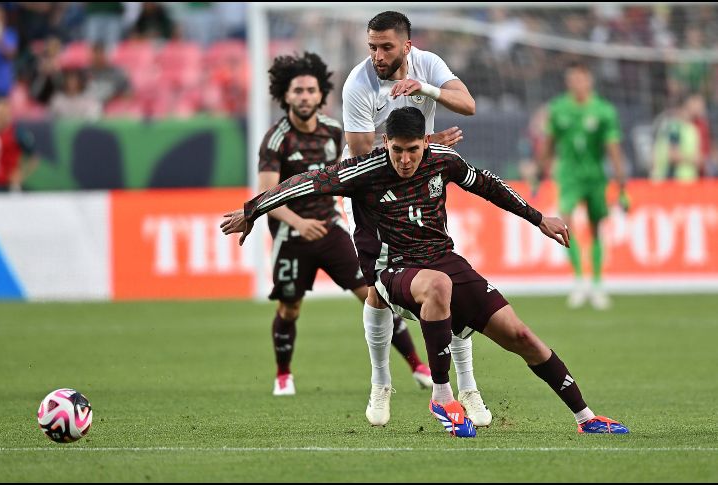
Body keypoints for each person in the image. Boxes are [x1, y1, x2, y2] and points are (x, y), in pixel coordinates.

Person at [222, 107, 629, 437]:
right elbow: (305, 182)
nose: (404, 159)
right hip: (390, 268)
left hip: (442, 258)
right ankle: (441, 394)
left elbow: (488, 185)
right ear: (385, 143)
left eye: (413, 150)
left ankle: (586, 417)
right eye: (397, 149)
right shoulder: (362, 171)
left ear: (425, 144)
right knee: (438, 286)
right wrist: (251, 211)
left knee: (521, 335)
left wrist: (539, 218)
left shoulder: (443, 160)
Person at [340, 11, 490, 428]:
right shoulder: (358, 84)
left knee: (447, 280)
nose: (377, 55)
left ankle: (468, 387)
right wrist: (420, 148)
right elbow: (357, 157)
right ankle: (381, 382)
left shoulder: (428, 64)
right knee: (376, 289)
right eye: (371, 46)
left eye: (385, 46)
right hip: (373, 193)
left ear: (407, 45)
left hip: (422, 182)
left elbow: (469, 105)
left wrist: (424, 92)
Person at [258, 52, 433, 397]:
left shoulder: (336, 131)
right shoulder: (277, 139)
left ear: (321, 94)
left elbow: (365, 165)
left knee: (375, 293)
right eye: (298, 91)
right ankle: (283, 375)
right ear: (286, 96)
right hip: (291, 234)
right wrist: (298, 222)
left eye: (311, 90)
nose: (305, 96)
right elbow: (266, 195)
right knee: (290, 308)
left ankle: (417, 365)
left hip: (332, 229)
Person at [536, 61, 628, 311]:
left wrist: (621, 181)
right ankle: (579, 281)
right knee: (564, 222)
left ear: (589, 81)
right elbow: (549, 142)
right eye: (572, 79)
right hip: (568, 176)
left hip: (595, 176)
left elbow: (613, 147)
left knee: (596, 228)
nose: (576, 83)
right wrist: (539, 169)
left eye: (581, 78)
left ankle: (597, 283)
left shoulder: (603, 110)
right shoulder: (558, 109)